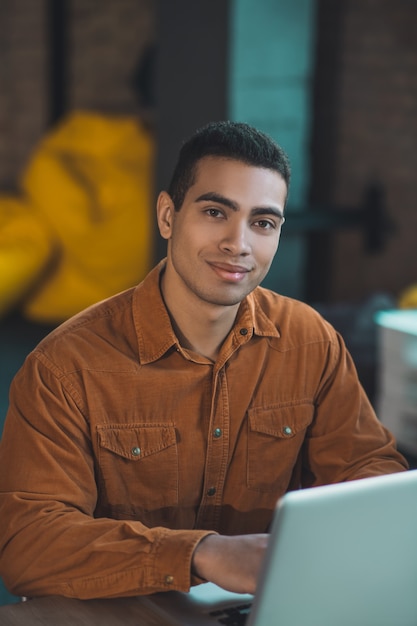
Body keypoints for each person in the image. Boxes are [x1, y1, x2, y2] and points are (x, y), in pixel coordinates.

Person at [0, 121, 408, 600]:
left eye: (263, 223)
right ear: (168, 216)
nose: (239, 243)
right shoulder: (64, 367)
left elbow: (372, 475)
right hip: (126, 613)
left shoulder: (310, 341)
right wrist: (202, 554)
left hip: (263, 604)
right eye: (216, 212)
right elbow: (29, 544)